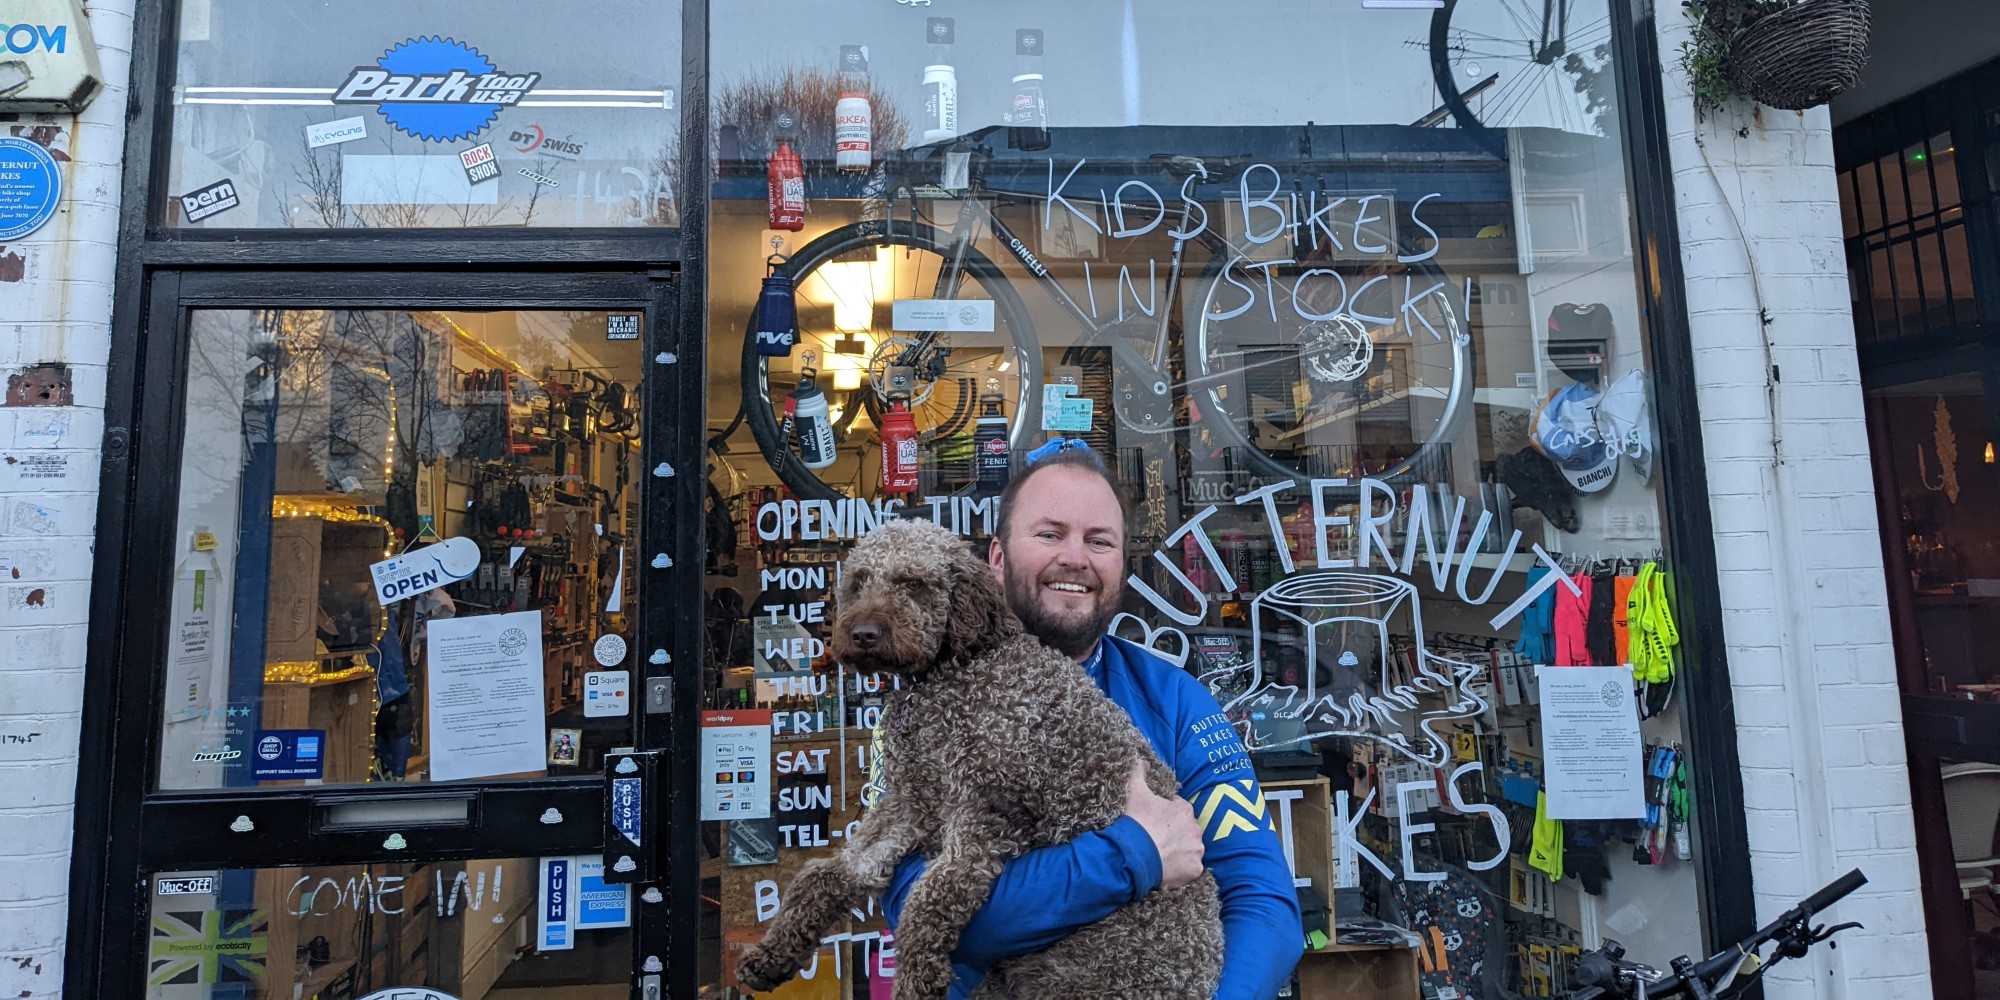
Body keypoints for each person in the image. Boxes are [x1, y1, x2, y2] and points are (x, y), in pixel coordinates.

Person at [879, 440, 1304, 999]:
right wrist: (1134, 853)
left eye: (1098, 541)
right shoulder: (929, 708)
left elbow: (1264, 903)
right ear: (998, 558)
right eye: (1049, 534)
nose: (1075, 558)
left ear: (1121, 566)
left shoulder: (1175, 702)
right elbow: (925, 916)